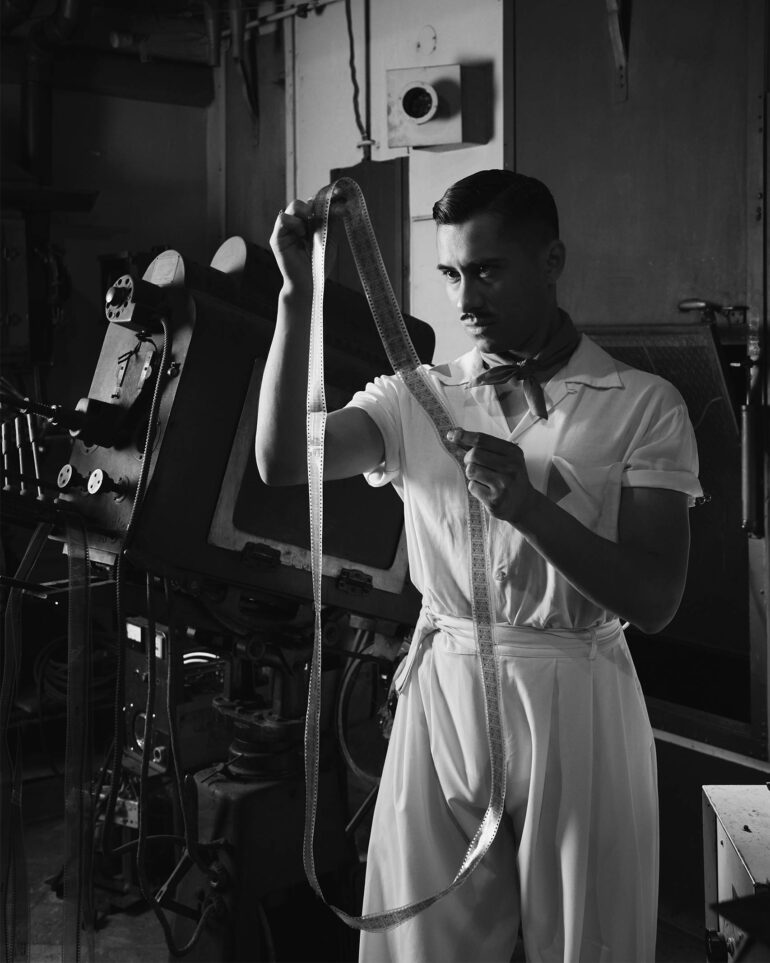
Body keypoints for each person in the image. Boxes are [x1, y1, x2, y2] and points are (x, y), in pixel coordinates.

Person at [256, 170, 702, 963]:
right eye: (452, 274)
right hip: (445, 687)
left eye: (488, 271)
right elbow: (286, 458)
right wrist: (297, 297)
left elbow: (656, 596)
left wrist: (528, 505)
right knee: (421, 945)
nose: (465, 299)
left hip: (578, 695)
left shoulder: (642, 403)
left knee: (589, 943)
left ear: (552, 260)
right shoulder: (417, 397)